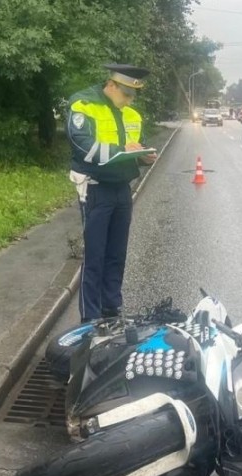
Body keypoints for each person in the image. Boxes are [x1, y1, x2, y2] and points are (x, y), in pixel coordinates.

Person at [66, 63, 157, 322]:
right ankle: (90, 319)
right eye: (126, 94)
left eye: (133, 96)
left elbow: (135, 146)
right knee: (95, 255)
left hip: (122, 189)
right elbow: (82, 145)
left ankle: (111, 308)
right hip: (96, 188)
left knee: (117, 253)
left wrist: (143, 156)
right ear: (111, 85)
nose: (129, 100)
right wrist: (121, 150)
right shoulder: (84, 105)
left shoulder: (131, 114)